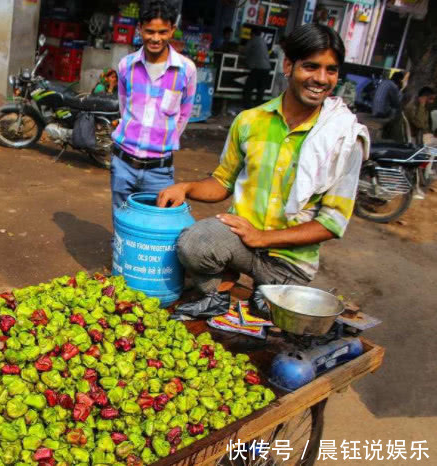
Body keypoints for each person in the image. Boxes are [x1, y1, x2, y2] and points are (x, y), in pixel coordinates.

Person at [157, 24, 369, 319]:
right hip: (242, 242)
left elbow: (332, 223)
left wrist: (263, 237)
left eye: (330, 70)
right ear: (288, 65)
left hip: (290, 264)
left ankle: (263, 291)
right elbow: (222, 181)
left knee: (266, 311)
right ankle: (216, 296)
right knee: (194, 242)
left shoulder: (345, 138)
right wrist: (186, 188)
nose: (321, 79)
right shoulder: (249, 121)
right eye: (310, 67)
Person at [110, 0, 197, 219]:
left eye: (162, 32)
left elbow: (184, 114)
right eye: (149, 31)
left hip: (160, 170)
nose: (155, 38)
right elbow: (124, 107)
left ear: (172, 31)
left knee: (156, 225)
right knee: (122, 221)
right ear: (140, 29)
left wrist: (164, 141)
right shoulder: (126, 66)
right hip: (123, 163)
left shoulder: (186, 70)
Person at [243, 29, 272, 109]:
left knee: (248, 87)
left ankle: (248, 106)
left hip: (258, 68)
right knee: (261, 89)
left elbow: (245, 51)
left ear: (253, 34)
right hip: (266, 69)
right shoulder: (263, 41)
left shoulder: (253, 40)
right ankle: (258, 107)